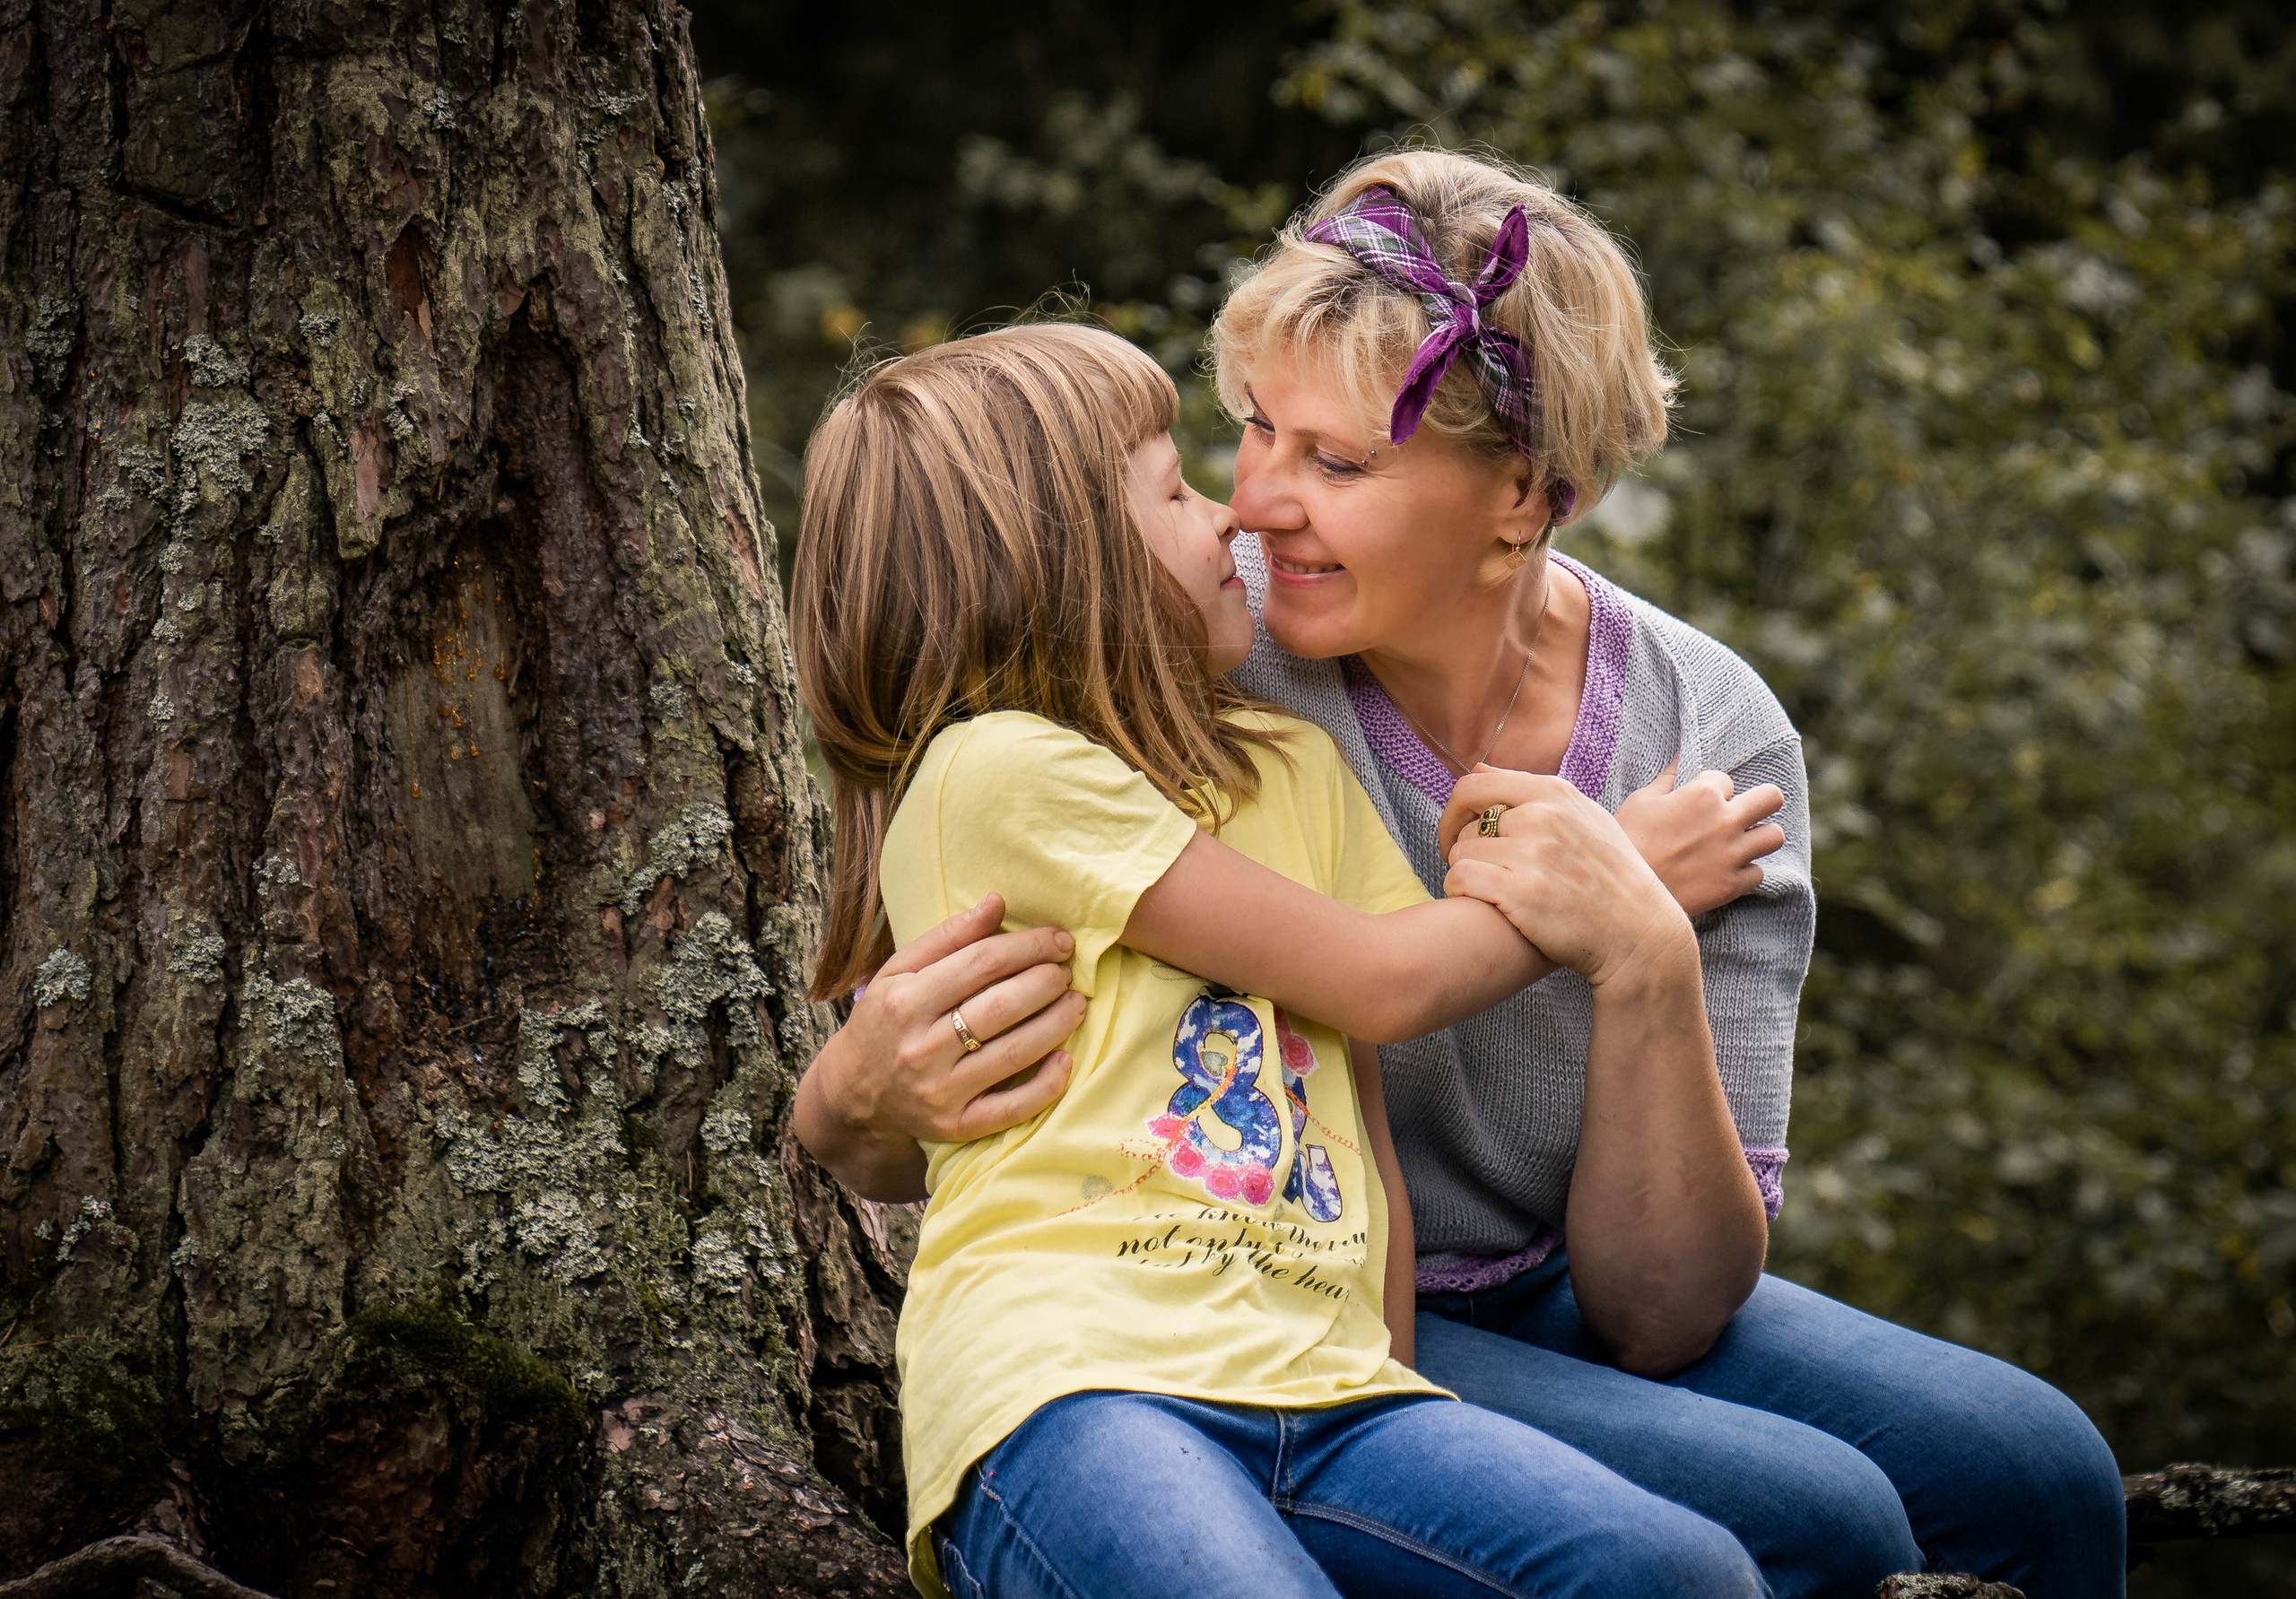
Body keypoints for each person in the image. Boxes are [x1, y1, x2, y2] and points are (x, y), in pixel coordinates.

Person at [796, 151, 2129, 1598]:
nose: (1250, 508)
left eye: (1339, 463)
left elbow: (1664, 1307)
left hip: (1505, 1289)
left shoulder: (1707, 735)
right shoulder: (1178, 643)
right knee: (1826, 1523)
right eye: (1247, 432)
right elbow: (930, 973)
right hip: (1235, 1293)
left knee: (2039, 1471)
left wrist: (1640, 951)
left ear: (1523, 496)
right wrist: (847, 1095)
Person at [792, 321, 1771, 1598]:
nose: (1232, 520)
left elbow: (1351, 1107)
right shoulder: (1001, 773)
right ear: (1066, 564)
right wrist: (1610, 883)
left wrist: (1399, 1381)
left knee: (1676, 1573)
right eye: (1177, 489)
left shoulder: (1289, 763)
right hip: (1084, 1381)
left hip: (1331, 1386)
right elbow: (1385, 976)